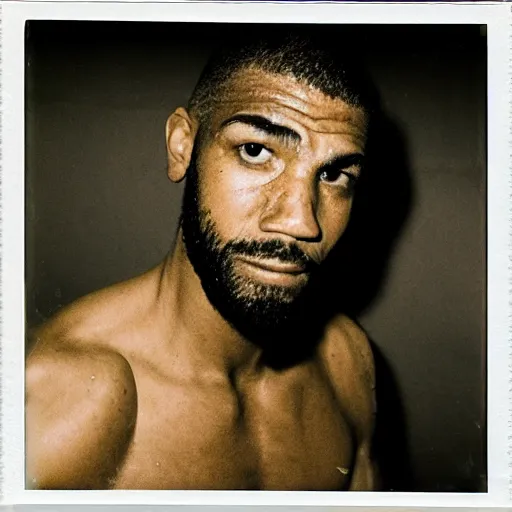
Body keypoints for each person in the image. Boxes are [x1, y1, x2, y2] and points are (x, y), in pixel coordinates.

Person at [26, 33, 379, 490]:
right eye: (256, 151)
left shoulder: (347, 361)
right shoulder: (66, 398)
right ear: (182, 146)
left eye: (333, 174)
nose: (300, 221)